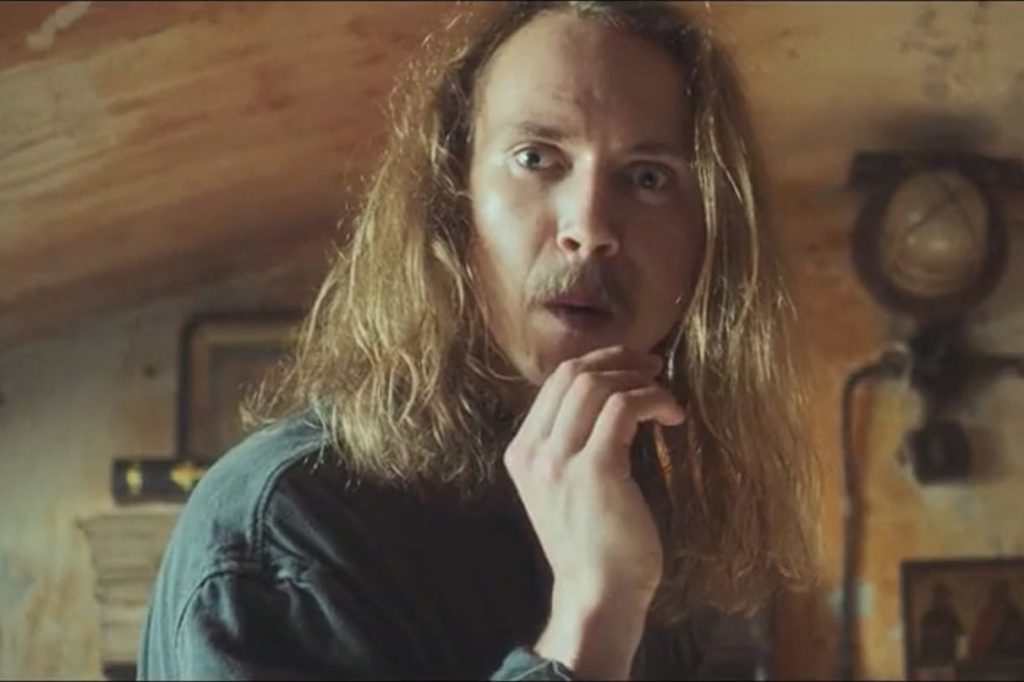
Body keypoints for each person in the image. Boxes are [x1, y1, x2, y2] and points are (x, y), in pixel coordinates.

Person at [137, 1, 819, 679]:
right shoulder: (287, 532)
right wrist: (592, 620)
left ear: (710, 237)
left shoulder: (635, 497)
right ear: (451, 200)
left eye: (648, 177)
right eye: (536, 158)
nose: (589, 227)